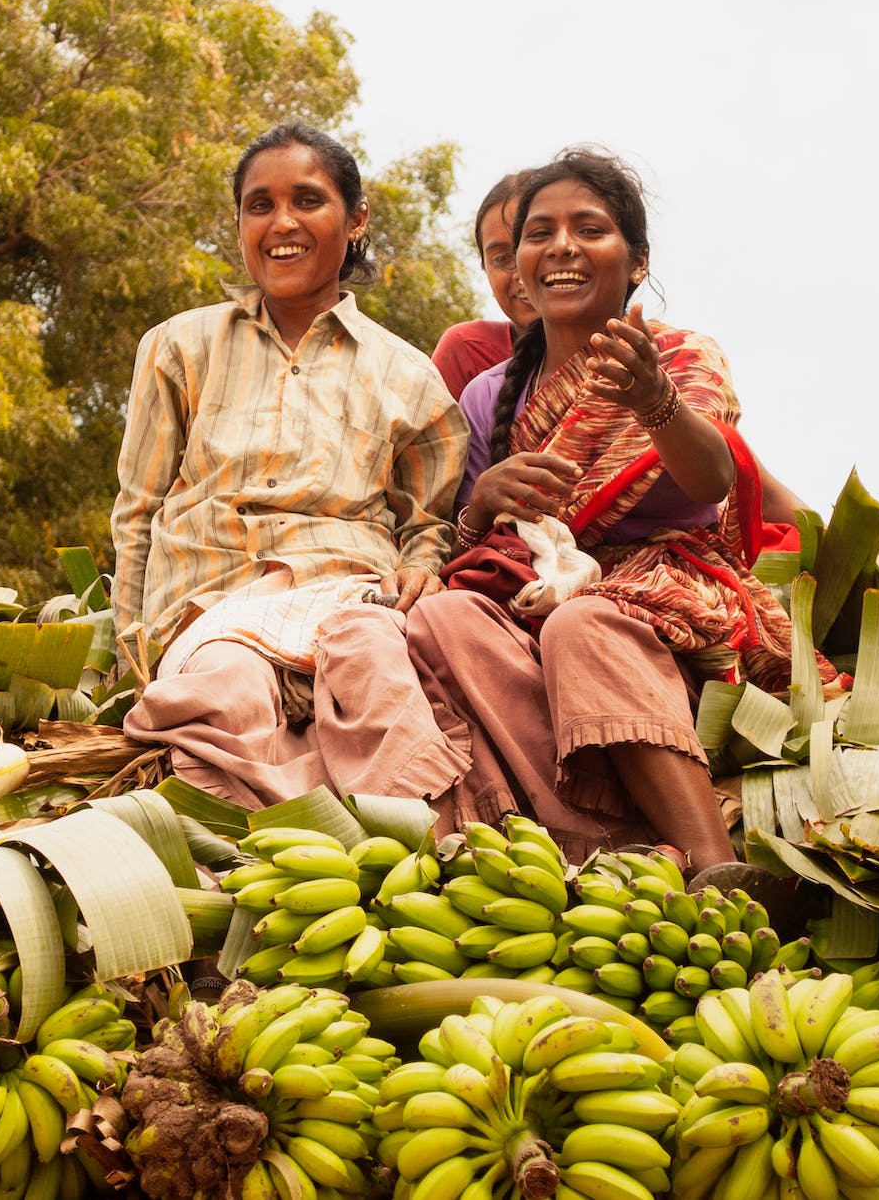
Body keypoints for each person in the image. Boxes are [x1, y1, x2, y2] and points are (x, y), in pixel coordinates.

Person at [407, 149, 830, 873]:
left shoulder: (681, 354)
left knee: (586, 619)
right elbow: (465, 549)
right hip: (541, 601)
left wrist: (651, 399)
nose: (561, 247)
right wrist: (483, 504)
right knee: (440, 618)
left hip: (673, 598)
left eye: (589, 228)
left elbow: (712, 479)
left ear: (635, 262)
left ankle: (711, 863)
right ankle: (577, 839)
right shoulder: (487, 396)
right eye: (539, 233)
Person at [112, 121, 473, 812]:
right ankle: (268, 857)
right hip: (209, 604)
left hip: (346, 596)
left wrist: (421, 564)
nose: (282, 223)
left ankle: (424, 851)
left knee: (379, 675)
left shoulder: (410, 376)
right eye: (259, 204)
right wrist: (134, 654)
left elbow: (427, 523)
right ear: (240, 222)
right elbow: (138, 513)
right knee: (227, 689)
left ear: (356, 219)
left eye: (308, 200)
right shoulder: (179, 347)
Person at [429, 173, 540, 398]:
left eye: (537, 243)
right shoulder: (468, 349)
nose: (521, 276)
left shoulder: (625, 351)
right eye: (502, 259)